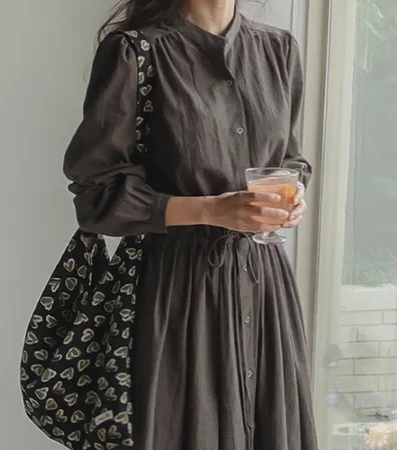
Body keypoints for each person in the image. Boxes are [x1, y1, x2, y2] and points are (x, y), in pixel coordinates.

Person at [62, 0, 317, 449]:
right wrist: (210, 210)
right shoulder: (135, 52)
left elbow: (290, 159)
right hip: (179, 292)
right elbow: (97, 193)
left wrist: (293, 194)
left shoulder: (279, 50)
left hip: (264, 286)